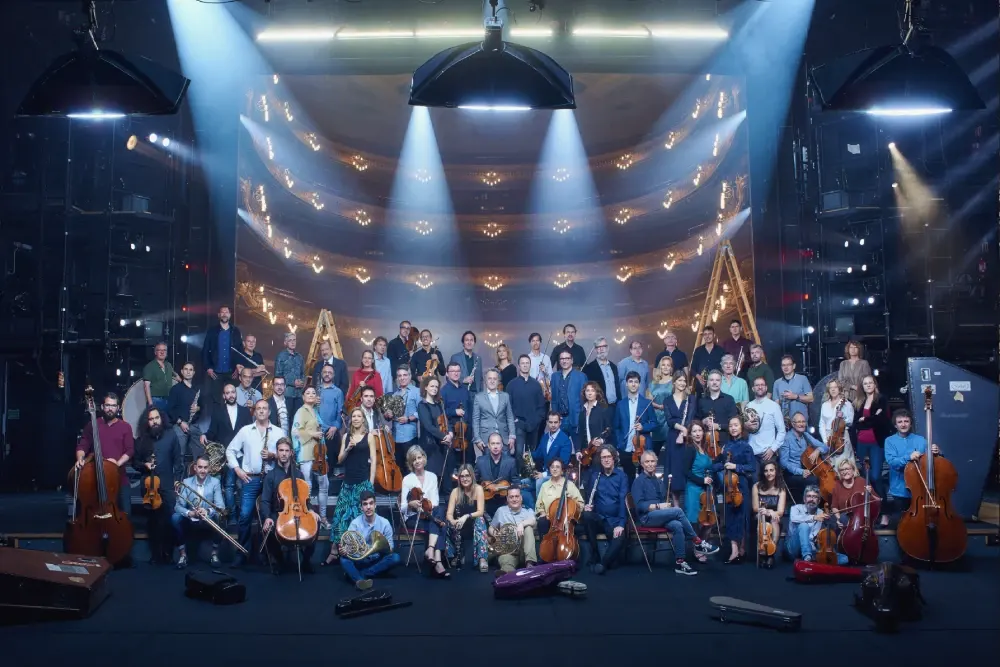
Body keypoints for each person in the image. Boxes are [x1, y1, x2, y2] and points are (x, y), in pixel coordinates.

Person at [632, 450, 718, 575]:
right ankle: (698, 542)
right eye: (647, 461)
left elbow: (663, 500)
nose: (650, 464)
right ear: (642, 464)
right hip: (647, 518)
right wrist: (659, 506)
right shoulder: (638, 481)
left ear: (656, 463)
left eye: (652, 461)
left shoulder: (658, 480)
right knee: (678, 511)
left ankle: (680, 562)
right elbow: (639, 506)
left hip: (658, 516)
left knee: (677, 525)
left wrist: (666, 506)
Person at [225, 399, 285, 565]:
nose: (261, 411)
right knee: (244, 516)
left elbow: (288, 453)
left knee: (269, 515)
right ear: (254, 411)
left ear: (269, 412)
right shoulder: (245, 431)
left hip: (271, 480)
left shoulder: (278, 432)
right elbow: (230, 451)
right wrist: (238, 470)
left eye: (264, 408)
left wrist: (273, 455)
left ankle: (269, 553)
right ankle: (243, 552)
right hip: (250, 478)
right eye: (258, 408)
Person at [259, 437, 321, 575]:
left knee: (316, 522)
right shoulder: (271, 476)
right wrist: (267, 517)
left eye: (287, 451)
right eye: (281, 450)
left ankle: (306, 560)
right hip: (279, 513)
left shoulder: (298, 474)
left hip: (299, 511)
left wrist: (310, 510)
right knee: (268, 527)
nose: (284, 454)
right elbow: (265, 501)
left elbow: (305, 499)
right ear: (277, 452)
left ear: (291, 453)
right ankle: (279, 561)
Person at [323, 407, 376, 566]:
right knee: (339, 517)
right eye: (354, 416)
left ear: (363, 419)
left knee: (357, 518)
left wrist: (371, 484)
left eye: (359, 416)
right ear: (351, 419)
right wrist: (347, 448)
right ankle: (334, 552)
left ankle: (358, 553)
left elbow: (374, 460)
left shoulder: (370, 437)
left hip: (362, 483)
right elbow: (339, 459)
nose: (356, 418)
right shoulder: (346, 436)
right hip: (347, 484)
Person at [133, 406, 182, 564]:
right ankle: (155, 554)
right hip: (149, 487)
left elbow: (178, 461)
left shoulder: (171, 435)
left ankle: (168, 553)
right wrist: (144, 465)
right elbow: (135, 462)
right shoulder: (142, 439)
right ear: (147, 422)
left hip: (167, 485)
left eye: (156, 418)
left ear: (161, 418)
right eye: (151, 419)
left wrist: (177, 480)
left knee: (168, 520)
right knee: (153, 522)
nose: (154, 422)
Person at [75, 392, 135, 518]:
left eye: (113, 406)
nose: (110, 408)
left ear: (118, 408)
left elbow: (130, 450)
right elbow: (82, 445)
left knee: (125, 516)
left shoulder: (126, 427)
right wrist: (80, 458)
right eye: (107, 405)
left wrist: (116, 465)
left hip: (119, 478)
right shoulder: (92, 424)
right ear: (102, 407)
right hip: (95, 478)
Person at [200, 383, 252, 518]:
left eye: (233, 392)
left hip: (243, 454)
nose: (231, 395)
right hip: (226, 455)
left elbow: (250, 433)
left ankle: (243, 515)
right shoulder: (218, 411)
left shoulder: (245, 411)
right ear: (224, 396)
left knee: (243, 485)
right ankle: (232, 516)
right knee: (229, 486)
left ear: (236, 394)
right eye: (227, 393)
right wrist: (205, 434)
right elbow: (212, 431)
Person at [399, 445, 450, 578]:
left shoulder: (432, 477)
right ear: (410, 463)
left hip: (429, 514)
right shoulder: (407, 479)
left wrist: (427, 506)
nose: (417, 461)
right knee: (441, 524)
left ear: (424, 458)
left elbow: (436, 502)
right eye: (413, 459)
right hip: (413, 518)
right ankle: (438, 562)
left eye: (419, 457)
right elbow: (402, 507)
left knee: (439, 511)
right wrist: (411, 504)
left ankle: (431, 550)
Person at [712, 416, 755, 564]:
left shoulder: (746, 447)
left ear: (741, 428)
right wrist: (723, 466)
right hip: (728, 486)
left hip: (741, 485)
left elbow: (752, 468)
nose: (733, 428)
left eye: (736, 425)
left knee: (742, 517)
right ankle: (734, 551)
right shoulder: (725, 447)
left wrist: (736, 467)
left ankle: (742, 549)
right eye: (730, 426)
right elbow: (715, 465)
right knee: (731, 517)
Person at [848, 375, 891, 525]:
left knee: (875, 477)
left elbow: (882, 421)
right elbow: (855, 424)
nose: (868, 385)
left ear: (875, 384)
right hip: (861, 444)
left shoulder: (881, 400)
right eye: (865, 383)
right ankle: (871, 513)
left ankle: (885, 512)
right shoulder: (859, 402)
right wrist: (870, 419)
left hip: (876, 443)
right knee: (865, 480)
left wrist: (865, 420)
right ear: (862, 386)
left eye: (870, 382)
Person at [580, 445, 629, 575]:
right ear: (600, 460)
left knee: (619, 539)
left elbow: (623, 501)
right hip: (599, 518)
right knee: (586, 515)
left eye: (608, 457)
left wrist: (621, 525)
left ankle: (603, 564)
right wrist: (588, 506)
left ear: (613, 458)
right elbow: (591, 499)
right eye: (603, 457)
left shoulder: (621, 476)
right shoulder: (595, 476)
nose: (606, 460)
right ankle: (595, 553)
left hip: (613, 521)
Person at [884, 409, 938, 524]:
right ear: (895, 425)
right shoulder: (889, 441)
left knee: (921, 522)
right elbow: (892, 462)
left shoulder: (921, 440)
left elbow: (934, 461)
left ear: (911, 423)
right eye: (900, 422)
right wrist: (908, 457)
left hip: (919, 488)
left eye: (906, 421)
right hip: (900, 489)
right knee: (901, 523)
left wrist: (937, 452)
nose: (903, 424)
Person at [340, 490, 402, 590]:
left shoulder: (385, 523)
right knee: (344, 559)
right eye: (365, 504)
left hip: (377, 558)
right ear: (361, 507)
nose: (368, 507)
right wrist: (345, 551)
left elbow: (391, 547)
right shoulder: (355, 523)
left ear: (375, 505)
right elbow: (348, 544)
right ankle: (362, 579)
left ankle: (359, 576)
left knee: (395, 558)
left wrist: (379, 548)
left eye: (371, 503)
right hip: (361, 559)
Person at [172, 455, 225, 569]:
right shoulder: (186, 482)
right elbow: (178, 506)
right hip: (191, 519)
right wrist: (189, 513)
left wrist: (207, 511)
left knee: (221, 517)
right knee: (175, 518)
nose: (203, 470)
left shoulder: (215, 482)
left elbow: (220, 506)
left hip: (207, 519)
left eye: (205, 467)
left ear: (209, 468)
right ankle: (183, 555)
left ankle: (214, 554)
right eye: (200, 467)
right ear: (195, 468)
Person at [292, 387, 329, 527]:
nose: (311, 395)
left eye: (314, 393)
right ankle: (308, 516)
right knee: (307, 486)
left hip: (319, 453)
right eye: (308, 393)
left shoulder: (315, 411)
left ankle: (323, 517)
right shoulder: (300, 412)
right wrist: (312, 434)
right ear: (303, 397)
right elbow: (295, 432)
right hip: (307, 453)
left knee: (324, 485)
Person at [785, 484, 847, 564]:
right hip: (793, 547)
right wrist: (814, 517)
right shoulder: (795, 508)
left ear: (818, 501)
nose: (811, 499)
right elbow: (794, 518)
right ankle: (807, 557)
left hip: (810, 547)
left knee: (844, 559)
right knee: (804, 526)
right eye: (809, 496)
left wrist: (837, 523)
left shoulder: (821, 512)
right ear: (804, 499)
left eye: (815, 497)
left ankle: (810, 557)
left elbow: (814, 536)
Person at [615, 370, 657, 480]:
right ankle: (630, 497)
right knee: (629, 478)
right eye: (630, 381)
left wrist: (644, 427)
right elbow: (616, 427)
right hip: (626, 447)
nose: (633, 384)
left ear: (639, 384)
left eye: (636, 382)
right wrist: (620, 443)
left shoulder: (647, 403)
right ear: (626, 384)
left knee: (645, 478)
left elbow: (654, 423)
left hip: (643, 447)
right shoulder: (620, 404)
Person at [682, 421, 717, 553]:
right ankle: (697, 550)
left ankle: (701, 546)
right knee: (695, 522)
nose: (697, 434)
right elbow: (685, 471)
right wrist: (702, 480)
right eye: (694, 431)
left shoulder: (705, 448)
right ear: (690, 434)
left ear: (703, 432)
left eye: (699, 430)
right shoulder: (690, 449)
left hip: (706, 490)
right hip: (694, 489)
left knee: (709, 522)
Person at [445, 463, 487, 570]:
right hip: (459, 524)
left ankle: (482, 558)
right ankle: (455, 555)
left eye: (467, 475)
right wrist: (453, 521)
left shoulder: (478, 489)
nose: (465, 479)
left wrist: (466, 516)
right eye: (462, 476)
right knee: (447, 523)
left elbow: (480, 512)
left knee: (480, 520)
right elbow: (449, 514)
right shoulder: (455, 492)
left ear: (472, 476)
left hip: (473, 523)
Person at [416, 376, 454, 493]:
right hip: (430, 447)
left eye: (436, 386)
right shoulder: (422, 406)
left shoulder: (439, 404)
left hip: (442, 445)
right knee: (432, 480)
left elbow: (446, 421)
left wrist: (451, 433)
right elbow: (429, 427)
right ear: (426, 387)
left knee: (447, 478)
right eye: (432, 386)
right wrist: (444, 436)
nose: (435, 388)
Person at [779, 412, 828, 501]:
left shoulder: (806, 435)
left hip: (807, 469)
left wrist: (818, 450)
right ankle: (812, 506)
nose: (802, 424)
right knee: (814, 480)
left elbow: (825, 447)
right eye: (799, 422)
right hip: (792, 474)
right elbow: (783, 463)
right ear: (793, 424)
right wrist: (800, 471)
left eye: (803, 421)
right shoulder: (787, 438)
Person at [506, 354, 546, 461]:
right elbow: (508, 405)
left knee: (531, 453)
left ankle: (529, 476)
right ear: (519, 366)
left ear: (530, 365)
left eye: (527, 363)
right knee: (518, 452)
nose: (525, 365)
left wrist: (537, 420)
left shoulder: (536, 385)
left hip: (533, 424)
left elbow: (541, 406)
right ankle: (518, 476)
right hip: (518, 424)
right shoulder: (511, 385)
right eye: (522, 363)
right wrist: (515, 420)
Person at [488, 487, 537, 574]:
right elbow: (491, 528)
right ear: (507, 499)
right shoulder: (501, 511)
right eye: (511, 497)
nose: (514, 499)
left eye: (517, 496)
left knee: (528, 528)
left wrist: (521, 524)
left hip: (524, 552)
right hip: (508, 551)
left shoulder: (528, 511)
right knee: (505, 561)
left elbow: (533, 521)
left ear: (521, 498)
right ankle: (507, 575)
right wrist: (495, 533)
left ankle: (530, 564)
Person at [663, 371, 695, 505]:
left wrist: (684, 432)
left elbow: (691, 417)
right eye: (679, 380)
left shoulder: (691, 398)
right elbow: (669, 420)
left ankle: (688, 506)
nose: (682, 383)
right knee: (674, 471)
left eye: (684, 381)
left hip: (687, 437)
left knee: (685, 467)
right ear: (674, 382)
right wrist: (681, 429)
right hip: (673, 438)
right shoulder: (667, 400)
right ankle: (676, 506)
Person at [202, 305, 243, 405]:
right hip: (216, 372)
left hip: (232, 372)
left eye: (226, 312)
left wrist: (238, 368)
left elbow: (240, 351)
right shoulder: (212, 331)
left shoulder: (235, 331)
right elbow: (205, 350)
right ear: (219, 315)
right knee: (216, 400)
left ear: (230, 315)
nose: (224, 314)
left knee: (234, 398)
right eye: (222, 312)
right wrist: (208, 368)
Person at [471, 369, 516, 459]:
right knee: (488, 469)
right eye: (489, 378)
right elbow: (475, 420)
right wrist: (477, 439)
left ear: (498, 381)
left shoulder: (505, 396)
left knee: (505, 468)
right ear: (485, 381)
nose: (492, 381)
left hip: (504, 439)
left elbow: (510, 417)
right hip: (486, 440)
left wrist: (512, 436)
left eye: (494, 379)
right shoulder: (478, 397)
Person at [534, 458, 584, 539]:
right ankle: (545, 548)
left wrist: (572, 504)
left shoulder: (569, 485)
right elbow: (539, 505)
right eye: (552, 467)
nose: (554, 469)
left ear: (562, 471)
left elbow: (580, 504)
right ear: (549, 469)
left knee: (577, 528)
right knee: (542, 522)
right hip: (549, 519)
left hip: (566, 520)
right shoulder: (544, 486)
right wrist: (543, 513)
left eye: (557, 467)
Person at [575, 382, 614, 484]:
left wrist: (602, 440)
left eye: (592, 390)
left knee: (599, 481)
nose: (590, 393)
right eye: (587, 390)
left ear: (597, 392)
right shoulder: (582, 411)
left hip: (598, 451)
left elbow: (609, 429)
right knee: (587, 481)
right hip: (586, 452)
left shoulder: (603, 409)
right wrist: (578, 450)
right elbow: (580, 433)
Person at [744, 376, 786, 473]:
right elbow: (746, 431)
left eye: (762, 385)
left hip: (768, 454)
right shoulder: (749, 406)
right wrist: (745, 426)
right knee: (755, 484)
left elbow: (782, 431)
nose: (760, 387)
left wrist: (773, 449)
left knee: (769, 486)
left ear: (766, 388)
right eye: (757, 385)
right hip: (752, 453)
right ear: (753, 388)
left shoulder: (774, 406)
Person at [474, 432, 519, 516]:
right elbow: (474, 482)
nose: (495, 446)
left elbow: (515, 481)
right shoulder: (480, 461)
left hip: (504, 502)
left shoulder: (511, 461)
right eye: (493, 443)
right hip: (485, 501)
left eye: (498, 443)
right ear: (488, 445)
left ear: (502, 445)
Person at [752, 461, 786, 569]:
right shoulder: (756, 486)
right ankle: (762, 551)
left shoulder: (781, 489)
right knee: (761, 518)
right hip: (760, 514)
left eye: (771, 470)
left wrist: (771, 512)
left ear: (776, 472)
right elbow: (755, 508)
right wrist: (765, 511)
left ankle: (771, 552)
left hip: (774, 515)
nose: (769, 473)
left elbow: (780, 511)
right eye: (766, 471)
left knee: (775, 520)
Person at [530, 412, 574, 496]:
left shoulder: (565, 440)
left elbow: (563, 464)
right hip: (544, 473)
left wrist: (543, 474)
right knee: (523, 483)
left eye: (555, 422)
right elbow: (538, 454)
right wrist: (528, 454)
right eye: (550, 422)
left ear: (560, 423)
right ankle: (530, 507)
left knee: (539, 482)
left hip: (557, 476)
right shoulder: (545, 437)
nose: (553, 425)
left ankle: (539, 508)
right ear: (547, 423)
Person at [167, 361, 201, 461]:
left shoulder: (197, 389)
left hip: (193, 425)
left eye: (191, 370)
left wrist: (198, 408)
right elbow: (170, 410)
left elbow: (202, 407)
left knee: (201, 454)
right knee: (179, 456)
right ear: (182, 371)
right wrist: (181, 422)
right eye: (186, 369)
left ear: (194, 372)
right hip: (179, 425)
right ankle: (179, 477)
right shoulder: (175, 389)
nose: (188, 372)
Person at [550, 350, 587, 441]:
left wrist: (582, 416)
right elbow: (554, 399)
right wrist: (555, 416)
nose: (564, 361)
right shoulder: (554, 376)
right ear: (559, 361)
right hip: (560, 419)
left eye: (567, 358)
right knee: (561, 449)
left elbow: (585, 399)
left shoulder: (581, 376)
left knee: (578, 449)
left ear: (572, 360)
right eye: (562, 358)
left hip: (575, 417)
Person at [831, 458, 881, 526]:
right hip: (845, 520)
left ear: (853, 470)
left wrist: (870, 494)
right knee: (842, 518)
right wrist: (839, 519)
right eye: (842, 470)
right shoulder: (837, 485)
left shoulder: (862, 481)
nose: (845, 472)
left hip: (862, 518)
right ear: (839, 472)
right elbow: (834, 507)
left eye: (847, 469)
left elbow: (878, 501)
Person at [820, 379, 855, 468]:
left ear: (839, 389)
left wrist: (842, 417)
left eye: (835, 387)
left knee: (844, 464)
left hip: (842, 436)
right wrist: (825, 440)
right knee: (831, 466)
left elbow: (850, 422)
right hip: (828, 437)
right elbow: (822, 424)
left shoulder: (846, 404)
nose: (833, 390)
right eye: (831, 388)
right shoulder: (825, 405)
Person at [696, 370, 738, 445]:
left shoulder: (729, 399)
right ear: (708, 383)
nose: (714, 382)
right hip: (706, 442)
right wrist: (703, 421)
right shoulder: (701, 401)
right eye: (711, 380)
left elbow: (735, 423)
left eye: (717, 380)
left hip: (725, 443)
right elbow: (696, 421)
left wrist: (718, 426)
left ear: (721, 382)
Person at [646, 356, 674, 457]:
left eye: (668, 365)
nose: (666, 367)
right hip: (656, 417)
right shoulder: (653, 383)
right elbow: (648, 400)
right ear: (660, 367)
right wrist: (659, 406)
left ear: (671, 368)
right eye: (663, 365)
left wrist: (666, 407)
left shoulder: (675, 382)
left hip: (670, 418)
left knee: (670, 453)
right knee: (654, 452)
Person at [772, 355, 813, 423]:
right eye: (783, 365)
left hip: (801, 421)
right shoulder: (777, 383)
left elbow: (811, 398)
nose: (786, 367)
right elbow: (776, 405)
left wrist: (795, 396)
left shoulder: (803, 379)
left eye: (788, 364)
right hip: (784, 422)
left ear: (794, 366)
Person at [582, 336, 620, 410]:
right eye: (598, 347)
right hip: (599, 408)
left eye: (604, 346)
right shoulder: (589, 368)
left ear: (607, 348)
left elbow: (617, 388)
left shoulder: (613, 367)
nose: (601, 349)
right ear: (595, 350)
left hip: (615, 406)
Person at [142, 341, 177, 416]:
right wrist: (151, 404)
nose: (162, 352)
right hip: (156, 400)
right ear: (155, 352)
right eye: (159, 350)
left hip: (168, 400)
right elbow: (146, 386)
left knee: (167, 424)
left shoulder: (168, 365)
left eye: (164, 350)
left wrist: (185, 384)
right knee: (156, 424)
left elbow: (176, 376)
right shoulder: (150, 367)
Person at [691, 325, 724, 394]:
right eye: (705, 334)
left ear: (714, 335)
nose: (707, 336)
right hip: (701, 387)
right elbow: (692, 369)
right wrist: (698, 377)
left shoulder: (721, 351)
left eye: (710, 334)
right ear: (703, 336)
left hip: (717, 387)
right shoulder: (698, 351)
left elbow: (724, 369)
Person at [273, 332, 306, 402]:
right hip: (286, 394)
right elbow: (278, 376)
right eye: (290, 340)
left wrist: (302, 382)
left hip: (299, 395)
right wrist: (293, 382)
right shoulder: (281, 356)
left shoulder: (299, 357)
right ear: (285, 342)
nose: (293, 342)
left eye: (294, 340)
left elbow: (303, 373)